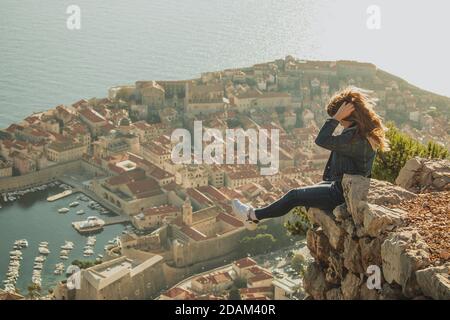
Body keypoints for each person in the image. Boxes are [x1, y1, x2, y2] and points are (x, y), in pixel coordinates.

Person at [232, 86, 389, 229]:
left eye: (341, 120)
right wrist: (338, 117)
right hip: (342, 185)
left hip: (342, 193)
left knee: (294, 196)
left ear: (349, 115)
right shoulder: (362, 132)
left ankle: (252, 217)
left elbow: (322, 140)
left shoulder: (356, 138)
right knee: (306, 192)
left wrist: (335, 118)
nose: (340, 124)